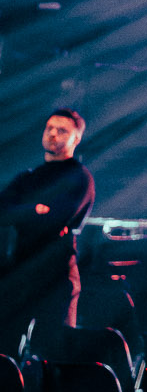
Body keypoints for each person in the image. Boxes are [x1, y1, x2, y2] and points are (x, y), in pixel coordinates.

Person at [0, 108, 95, 355]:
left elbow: (58, 217)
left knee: (53, 353)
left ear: (76, 138)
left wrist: (25, 211)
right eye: (49, 128)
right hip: (20, 270)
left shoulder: (79, 177)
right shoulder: (28, 177)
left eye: (61, 130)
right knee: (6, 347)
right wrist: (36, 210)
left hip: (57, 274)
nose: (52, 134)